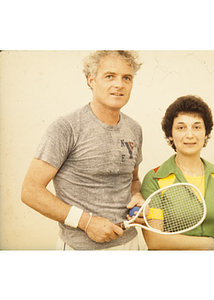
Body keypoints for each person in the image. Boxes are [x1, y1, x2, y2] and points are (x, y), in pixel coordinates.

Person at [21, 50, 146, 250]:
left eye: (127, 78)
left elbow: (133, 180)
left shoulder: (134, 129)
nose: (119, 85)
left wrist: (137, 195)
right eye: (109, 76)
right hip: (79, 249)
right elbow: (30, 191)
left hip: (130, 244)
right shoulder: (66, 127)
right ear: (91, 80)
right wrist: (86, 222)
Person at [141, 95, 214, 250]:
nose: (190, 135)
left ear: (206, 134)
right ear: (170, 135)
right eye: (181, 127)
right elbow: (155, 239)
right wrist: (209, 244)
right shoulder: (155, 178)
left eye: (197, 127)